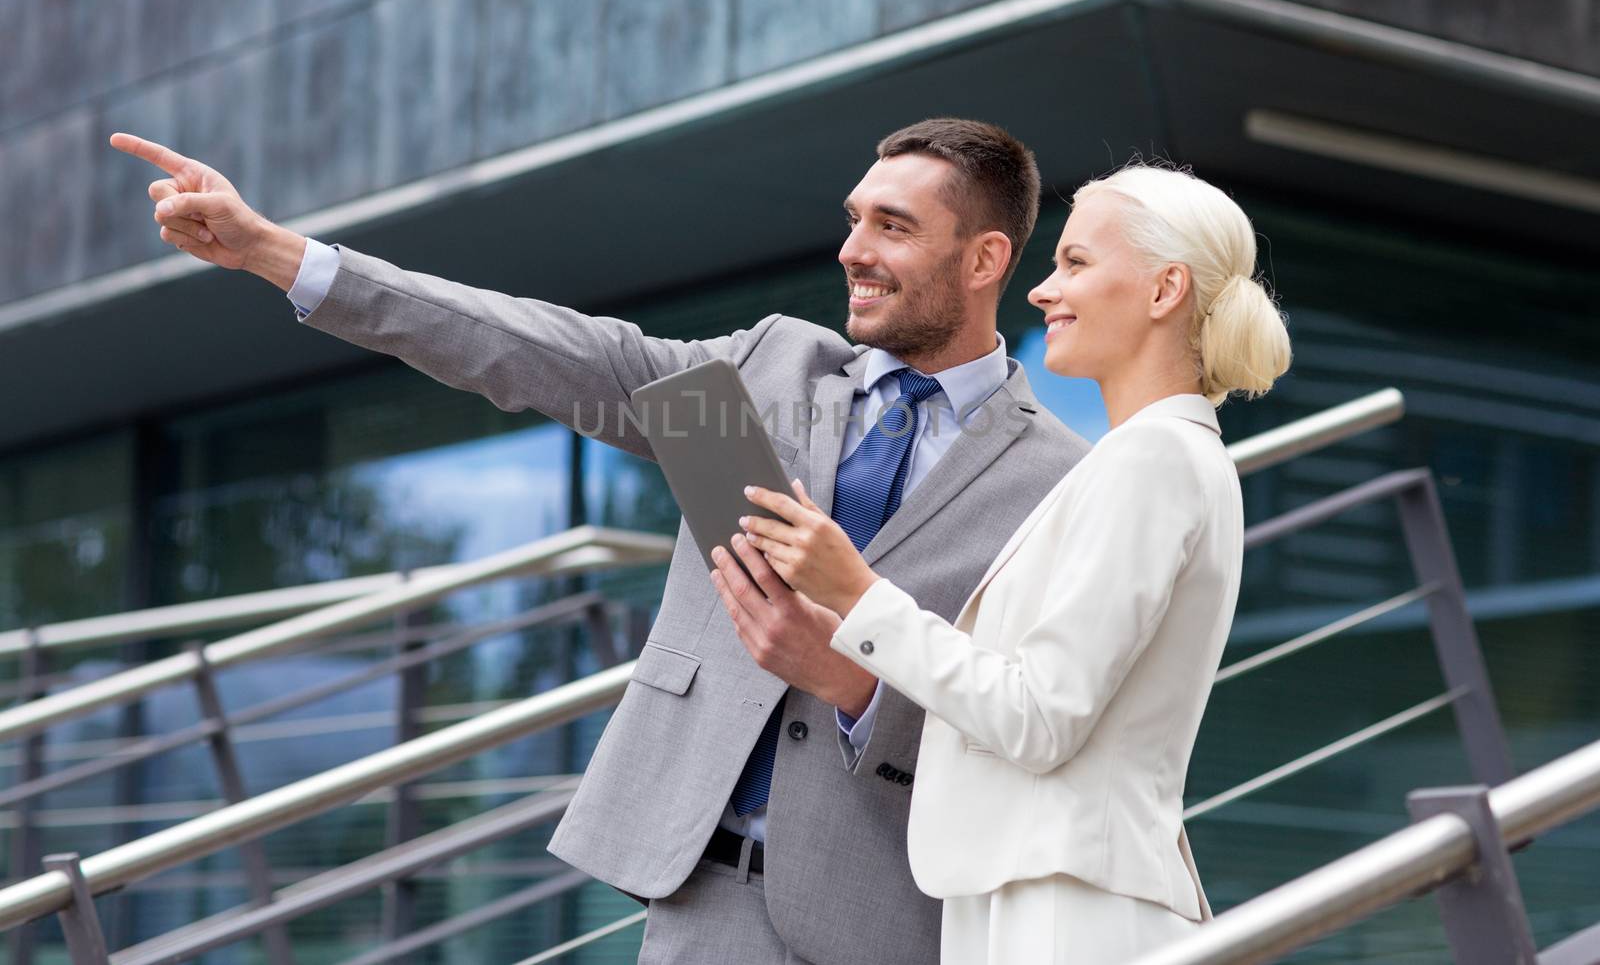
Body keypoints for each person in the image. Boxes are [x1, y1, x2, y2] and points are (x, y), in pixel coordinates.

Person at [109, 119, 1092, 964]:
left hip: (885, 924)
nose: (852, 249)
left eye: (894, 226)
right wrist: (283, 254)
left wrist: (858, 688)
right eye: (852, 219)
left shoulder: (1053, 481)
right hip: (696, 901)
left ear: (984, 261)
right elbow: (535, 348)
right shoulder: (771, 366)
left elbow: (1032, 729)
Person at [710, 164, 1292, 963]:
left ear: (1165, 291)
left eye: (1076, 263)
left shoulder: (1152, 459)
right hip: (1036, 892)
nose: (1042, 291)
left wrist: (857, 594)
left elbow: (1039, 716)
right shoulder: (1149, 458)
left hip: (1064, 910)